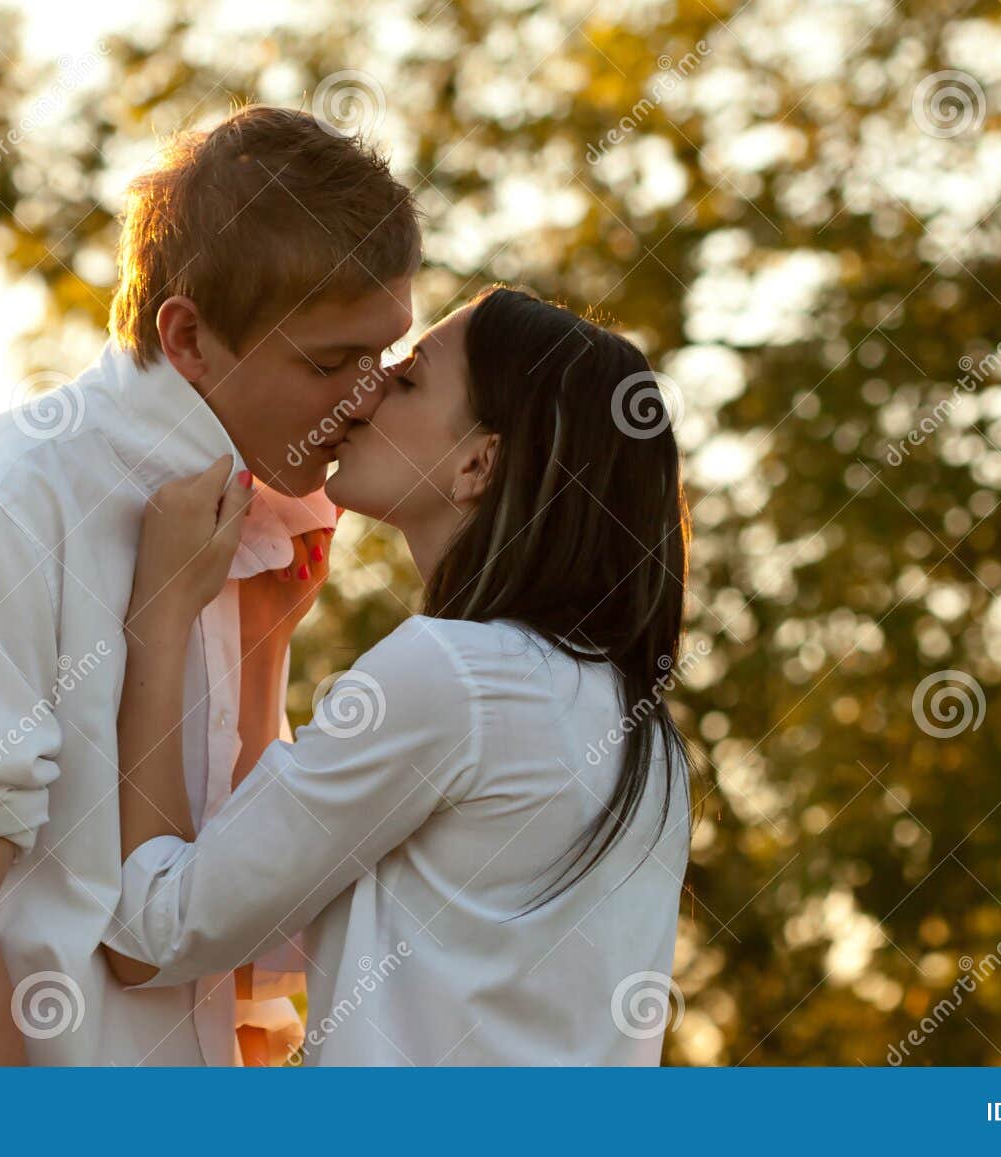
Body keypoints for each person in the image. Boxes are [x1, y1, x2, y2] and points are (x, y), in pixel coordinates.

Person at [0, 104, 420, 1066]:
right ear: (189, 337)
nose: (367, 397)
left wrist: (263, 643)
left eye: (386, 356)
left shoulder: (257, 519)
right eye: (331, 363)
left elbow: (207, 918)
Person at [101, 286, 694, 1065]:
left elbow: (152, 931)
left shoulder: (454, 674)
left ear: (479, 462)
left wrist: (162, 612)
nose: (363, 394)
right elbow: (265, 926)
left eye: (406, 379)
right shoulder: (646, 741)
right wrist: (264, 640)